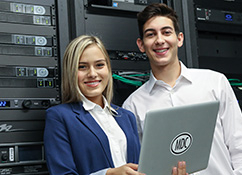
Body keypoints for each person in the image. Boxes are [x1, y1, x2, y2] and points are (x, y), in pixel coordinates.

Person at [122, 3, 242, 175]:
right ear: (141, 45)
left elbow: (241, 150)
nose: (160, 40)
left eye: (166, 32)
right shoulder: (132, 106)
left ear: (179, 39)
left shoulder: (214, 82)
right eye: (151, 34)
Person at [44, 35, 188, 175]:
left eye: (99, 65)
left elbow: (141, 169)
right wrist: (108, 174)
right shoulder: (60, 117)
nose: (93, 74)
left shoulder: (126, 116)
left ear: (108, 68)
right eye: (82, 67)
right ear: (71, 72)